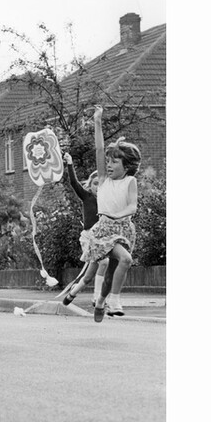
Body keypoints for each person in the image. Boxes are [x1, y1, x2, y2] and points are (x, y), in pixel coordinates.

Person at [57, 106, 140, 323]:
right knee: (125, 259)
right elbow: (99, 148)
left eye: (115, 162)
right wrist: (97, 122)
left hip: (123, 229)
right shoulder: (103, 179)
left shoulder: (130, 182)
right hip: (104, 229)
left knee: (112, 272)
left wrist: (120, 215)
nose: (109, 164)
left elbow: (133, 206)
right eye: (108, 161)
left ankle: (102, 301)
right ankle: (115, 299)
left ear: (127, 165)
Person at [57, 152, 119, 313]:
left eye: (101, 184)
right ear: (90, 186)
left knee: (89, 276)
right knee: (104, 262)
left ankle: (72, 293)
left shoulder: (107, 200)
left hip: (103, 237)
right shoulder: (86, 197)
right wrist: (70, 163)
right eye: (95, 184)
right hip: (89, 237)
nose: (98, 187)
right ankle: (96, 297)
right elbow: (73, 182)